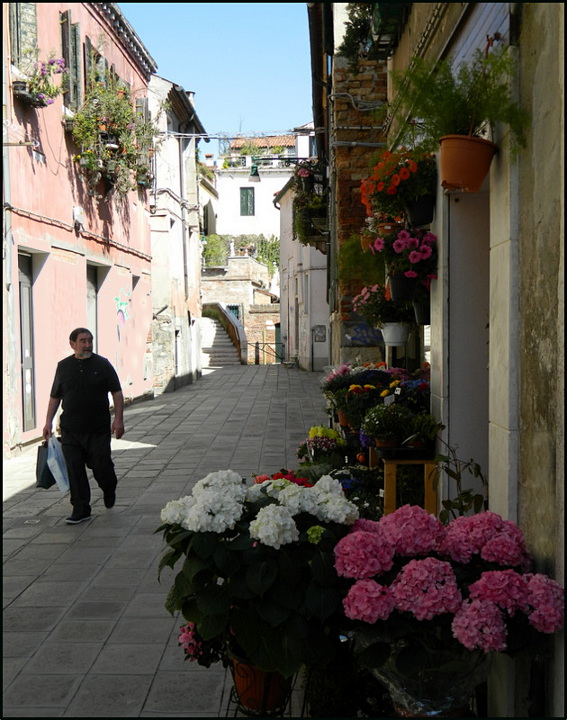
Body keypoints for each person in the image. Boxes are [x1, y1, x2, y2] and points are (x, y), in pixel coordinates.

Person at [42, 328, 124, 524]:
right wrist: (48, 422)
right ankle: (81, 508)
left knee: (101, 466)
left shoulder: (102, 365)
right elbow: (55, 396)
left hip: (98, 429)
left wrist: (118, 419)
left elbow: (117, 393)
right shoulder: (63, 367)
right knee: (75, 469)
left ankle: (109, 487)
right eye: (83, 341)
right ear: (72, 344)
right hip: (71, 430)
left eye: (90, 341)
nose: (87, 345)